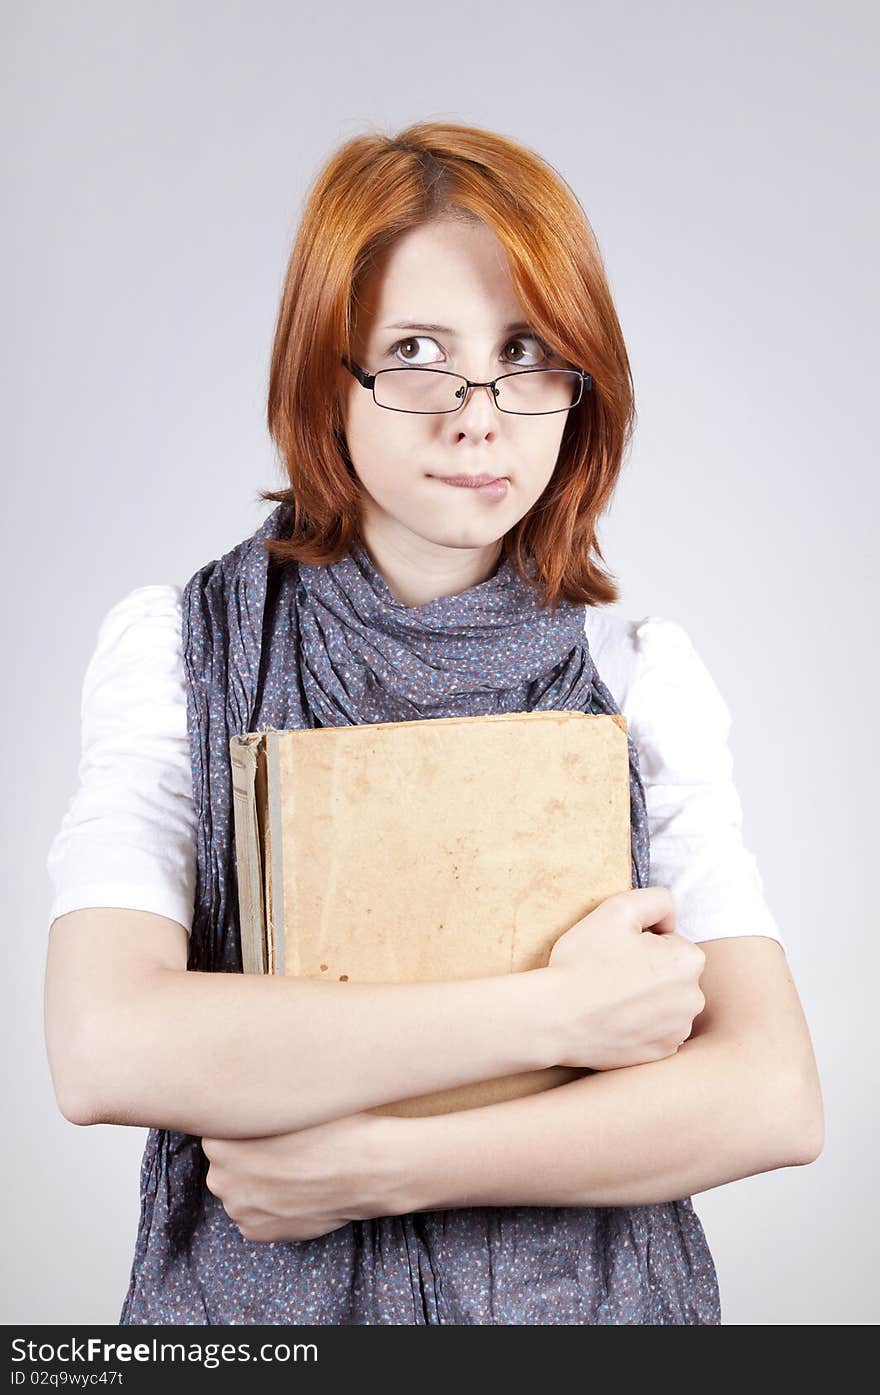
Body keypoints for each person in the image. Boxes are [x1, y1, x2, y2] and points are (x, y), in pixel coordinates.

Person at [43, 121, 823, 1326]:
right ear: (325, 371)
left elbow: (769, 1097)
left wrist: (384, 1170)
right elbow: (106, 1047)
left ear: (580, 385)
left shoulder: (637, 675)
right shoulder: (181, 649)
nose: (480, 416)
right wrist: (562, 1015)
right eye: (415, 352)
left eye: (526, 355)